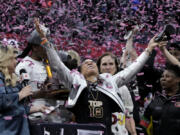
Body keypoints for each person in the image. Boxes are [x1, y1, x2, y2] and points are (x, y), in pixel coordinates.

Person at [35, 18, 159, 134]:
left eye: (92, 62)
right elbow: (57, 66)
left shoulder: (109, 82)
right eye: (86, 63)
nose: (90, 63)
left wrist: (148, 50)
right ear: (80, 71)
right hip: (82, 132)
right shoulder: (76, 83)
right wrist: (45, 41)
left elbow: (131, 70)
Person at [0, 44, 48, 135]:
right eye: (13, 58)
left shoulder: (13, 79)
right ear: (5, 60)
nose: (16, 61)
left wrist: (36, 108)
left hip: (20, 129)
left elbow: (15, 108)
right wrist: (19, 95)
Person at [97, 52, 137, 135]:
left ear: (116, 67)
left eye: (111, 64)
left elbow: (128, 116)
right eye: (104, 64)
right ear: (99, 68)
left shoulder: (123, 88)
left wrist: (133, 133)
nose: (108, 67)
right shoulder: (93, 87)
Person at [140, 63, 180, 135]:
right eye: (162, 76)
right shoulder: (156, 98)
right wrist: (142, 132)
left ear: (178, 79)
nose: (163, 79)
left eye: (167, 76)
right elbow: (145, 120)